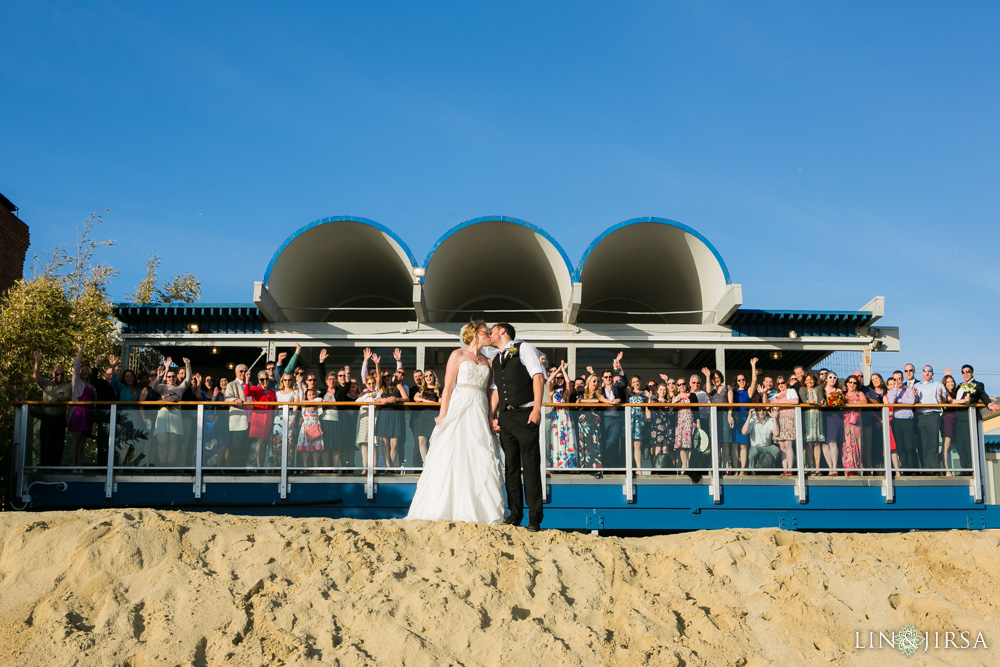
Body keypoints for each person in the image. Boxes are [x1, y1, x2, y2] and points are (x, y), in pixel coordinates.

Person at [406, 321, 505, 524]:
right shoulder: (458, 355)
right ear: (476, 334)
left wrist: (490, 416)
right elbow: (448, 387)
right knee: (453, 452)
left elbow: (488, 391)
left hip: (479, 408)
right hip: (460, 407)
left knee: (478, 454)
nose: (489, 336)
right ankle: (447, 507)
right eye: (486, 332)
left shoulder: (489, 361)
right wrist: (443, 415)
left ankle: (480, 510)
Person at [489, 321, 545, 531]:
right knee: (510, 468)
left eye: (492, 331)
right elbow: (495, 390)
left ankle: (534, 517)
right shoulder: (496, 359)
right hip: (506, 418)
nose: (490, 335)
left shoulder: (524, 348)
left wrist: (537, 409)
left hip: (526, 413)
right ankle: (515, 513)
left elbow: (537, 377)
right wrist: (492, 416)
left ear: (502, 331)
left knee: (530, 466)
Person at [953, 365, 999, 476]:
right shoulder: (959, 386)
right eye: (963, 372)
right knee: (960, 446)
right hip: (957, 419)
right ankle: (965, 469)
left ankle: (970, 470)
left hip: (968, 418)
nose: (965, 373)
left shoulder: (978, 385)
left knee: (969, 445)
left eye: (968, 371)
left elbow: (983, 395)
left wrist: (989, 404)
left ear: (972, 373)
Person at [32, 351, 72, 466]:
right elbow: (36, 376)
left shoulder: (67, 386)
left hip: (59, 418)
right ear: (53, 375)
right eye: (57, 374)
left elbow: (67, 397)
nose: (59, 376)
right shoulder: (47, 384)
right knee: (46, 442)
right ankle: (45, 466)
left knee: (58, 443)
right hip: (47, 418)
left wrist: (57, 400)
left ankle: (56, 466)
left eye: (62, 374)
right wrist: (37, 362)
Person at [913, 365, 946, 473]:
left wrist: (940, 396)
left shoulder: (938, 384)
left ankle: (934, 469)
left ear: (932, 373)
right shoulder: (916, 386)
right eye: (925, 371)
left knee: (933, 443)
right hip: (920, 416)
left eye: (929, 371)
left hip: (933, 415)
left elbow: (943, 402)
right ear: (922, 373)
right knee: (923, 444)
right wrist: (915, 396)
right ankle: (925, 469)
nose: (927, 373)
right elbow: (913, 402)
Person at [67, 343, 96, 466]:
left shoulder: (91, 386)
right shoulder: (77, 383)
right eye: (82, 370)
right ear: (79, 372)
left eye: (86, 370)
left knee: (82, 441)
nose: (84, 372)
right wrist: (80, 351)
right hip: (79, 412)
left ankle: (79, 466)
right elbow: (75, 366)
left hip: (88, 414)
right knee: (76, 439)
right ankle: (73, 466)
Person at [546, 361, 578, 469]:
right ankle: (558, 465)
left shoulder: (566, 391)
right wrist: (558, 370)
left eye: (561, 378)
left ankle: (569, 465)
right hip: (556, 415)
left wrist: (564, 371)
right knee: (556, 439)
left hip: (566, 415)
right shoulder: (552, 390)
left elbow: (568, 382)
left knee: (568, 438)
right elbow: (549, 381)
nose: (560, 380)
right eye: (558, 378)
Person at [886, 370, 918, 474]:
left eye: (899, 379)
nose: (898, 381)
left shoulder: (908, 390)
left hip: (908, 420)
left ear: (903, 379)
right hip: (897, 420)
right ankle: (904, 467)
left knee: (910, 445)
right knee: (900, 446)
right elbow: (891, 402)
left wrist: (898, 403)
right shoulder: (891, 392)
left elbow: (912, 402)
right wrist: (896, 389)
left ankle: (912, 468)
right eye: (895, 379)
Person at [246, 369, 276, 467]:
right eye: (262, 379)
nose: (264, 381)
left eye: (266, 379)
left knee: (264, 443)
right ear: (259, 380)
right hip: (258, 416)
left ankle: (262, 463)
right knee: (259, 441)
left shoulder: (272, 391)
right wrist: (247, 380)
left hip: (268, 417)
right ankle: (259, 466)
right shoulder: (256, 388)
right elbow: (247, 393)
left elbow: (274, 405)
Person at [770, 375, 799, 474]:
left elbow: (796, 401)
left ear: (786, 383)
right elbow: (768, 403)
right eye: (779, 383)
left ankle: (790, 469)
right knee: (782, 446)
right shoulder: (776, 395)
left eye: (782, 383)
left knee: (788, 445)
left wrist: (780, 401)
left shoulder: (791, 391)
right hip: (779, 420)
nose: (781, 385)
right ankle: (785, 468)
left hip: (789, 419)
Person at [412, 369, 442, 464]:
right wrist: (429, 402)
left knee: (434, 441)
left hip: (434, 416)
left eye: (430, 375)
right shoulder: (421, 390)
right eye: (426, 376)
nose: (428, 377)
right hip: (423, 416)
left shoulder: (439, 389)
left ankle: (434, 463)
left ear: (434, 377)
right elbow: (415, 398)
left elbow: (440, 403)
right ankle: (426, 464)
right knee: (421, 441)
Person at [224, 364, 251, 468]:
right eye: (241, 371)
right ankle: (234, 470)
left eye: (245, 371)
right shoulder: (231, 384)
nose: (243, 374)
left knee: (246, 448)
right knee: (236, 447)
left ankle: (243, 469)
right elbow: (227, 398)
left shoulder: (250, 383)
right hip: (238, 421)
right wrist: (235, 400)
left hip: (249, 420)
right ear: (236, 372)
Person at [799, 372, 826, 473]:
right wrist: (807, 402)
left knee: (817, 443)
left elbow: (821, 398)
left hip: (818, 416)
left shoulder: (818, 388)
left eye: (811, 379)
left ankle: (817, 468)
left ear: (814, 380)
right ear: (804, 381)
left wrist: (823, 401)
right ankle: (811, 467)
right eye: (807, 379)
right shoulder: (802, 389)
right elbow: (804, 399)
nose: (809, 381)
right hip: (807, 417)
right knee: (809, 443)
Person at [842, 375, 868, 475]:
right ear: (847, 383)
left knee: (856, 445)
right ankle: (847, 469)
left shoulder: (859, 393)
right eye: (850, 382)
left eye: (854, 382)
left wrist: (852, 402)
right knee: (846, 445)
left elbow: (864, 403)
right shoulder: (843, 395)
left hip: (856, 423)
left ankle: (856, 468)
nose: (852, 384)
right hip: (845, 423)